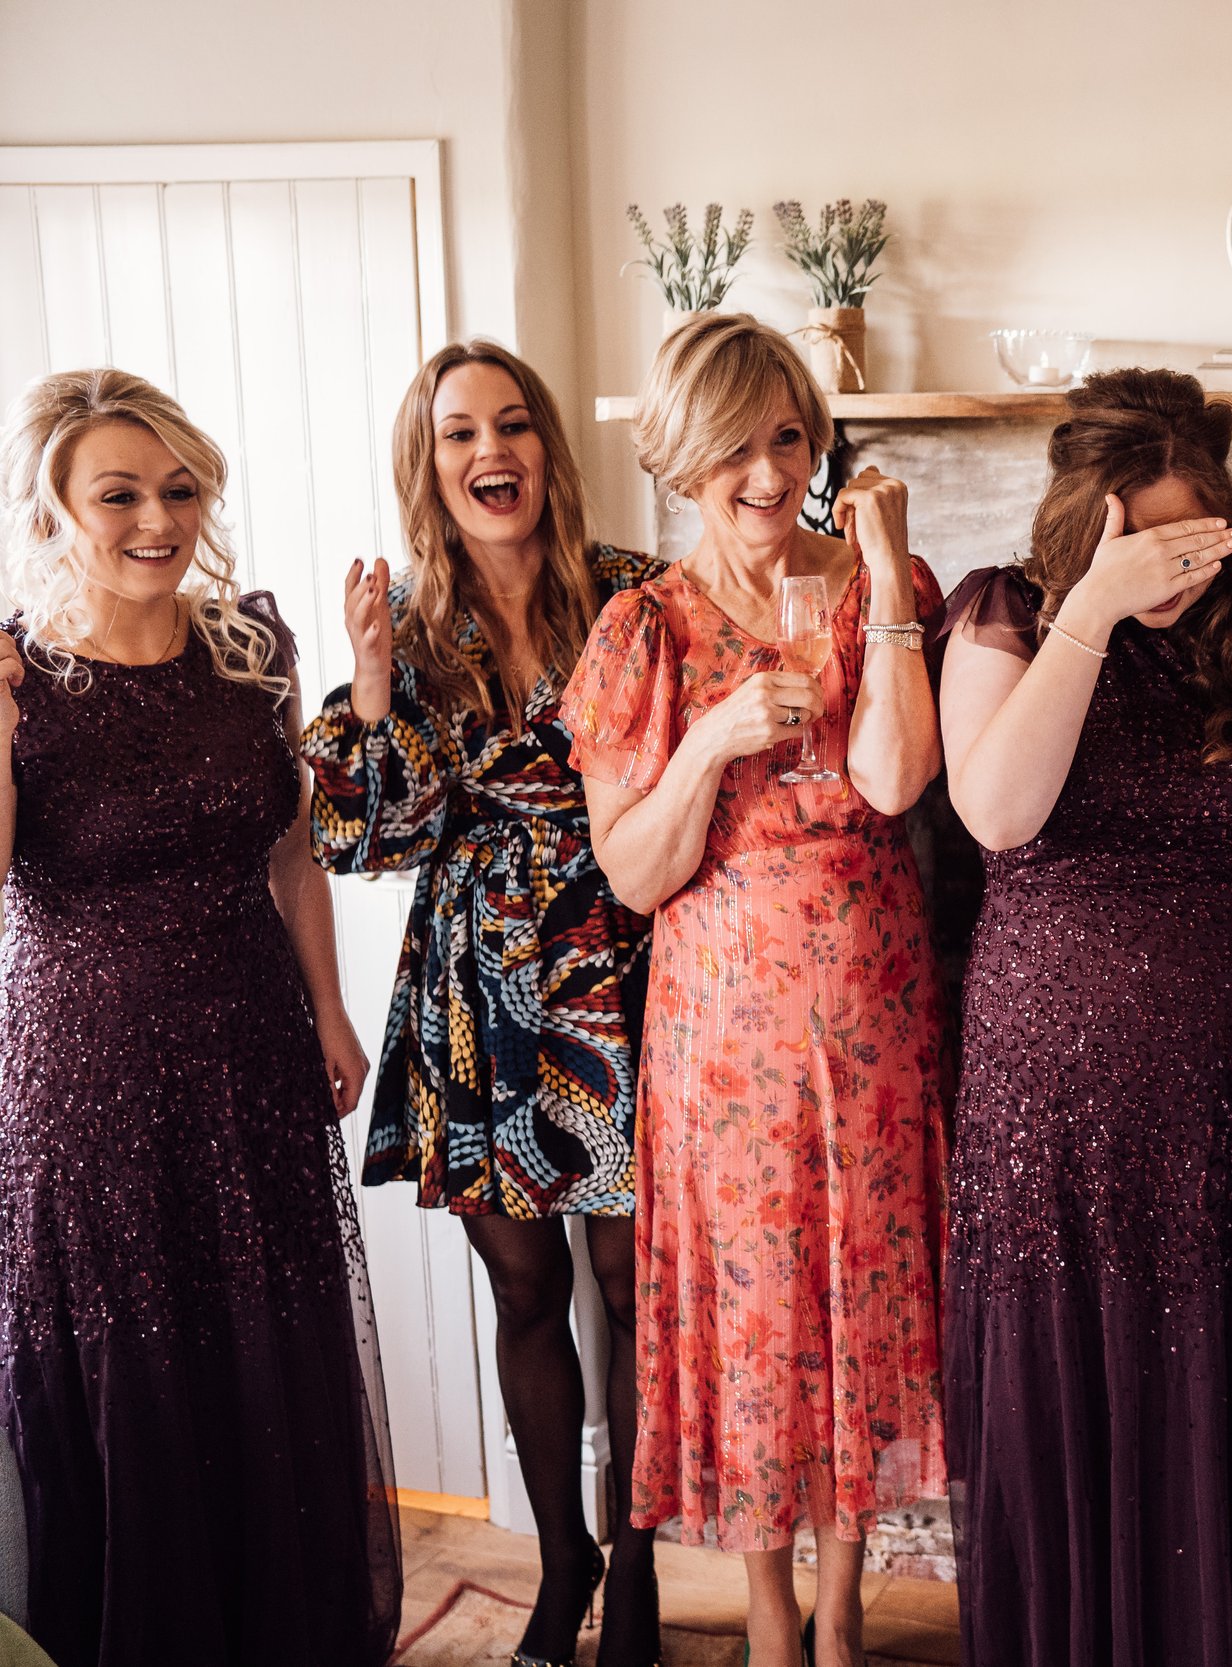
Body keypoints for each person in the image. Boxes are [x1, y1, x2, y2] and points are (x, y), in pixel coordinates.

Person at [939, 369, 1232, 1667]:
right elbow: (998, 813)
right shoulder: (1007, 613)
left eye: (1191, 536)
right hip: (1057, 1116)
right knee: (1078, 1406)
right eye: (1138, 538)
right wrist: (1091, 610)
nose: (1170, 569)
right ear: (1081, 520)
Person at [561, 313, 946, 1667]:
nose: (772, 473)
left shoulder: (872, 585)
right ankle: (773, 1620)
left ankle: (843, 1618)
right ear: (682, 455)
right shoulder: (640, 631)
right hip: (722, 1028)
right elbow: (633, 866)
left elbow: (895, 781)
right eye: (738, 446)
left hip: (875, 1003)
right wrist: (713, 743)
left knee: (859, 1298)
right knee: (756, 1316)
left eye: (790, 437)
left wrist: (890, 566)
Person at [0, 369, 399, 1666]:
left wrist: (332, 1011)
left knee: (263, 1353)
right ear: (55, 505)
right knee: (138, 1371)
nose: (157, 517)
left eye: (180, 487)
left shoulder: (248, 649)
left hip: (252, 1051)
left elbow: (291, 853)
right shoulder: (17, 675)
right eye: (119, 491)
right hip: (88, 1075)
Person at [301, 340, 664, 1665]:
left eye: (512, 425)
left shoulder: (635, 590)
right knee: (525, 1293)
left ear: (547, 449)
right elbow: (362, 843)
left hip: (626, 966)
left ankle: (633, 1567)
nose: (490, 450)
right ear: (431, 460)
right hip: (484, 990)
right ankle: (560, 1559)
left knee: (632, 1289)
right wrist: (378, 679)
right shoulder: (405, 616)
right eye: (460, 433)